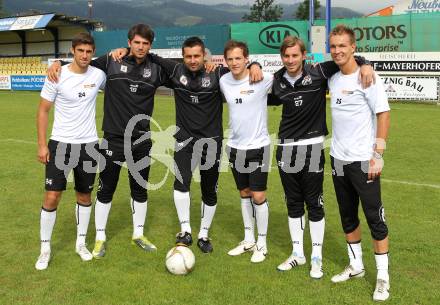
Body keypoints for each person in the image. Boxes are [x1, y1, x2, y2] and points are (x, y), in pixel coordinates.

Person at [111, 37, 262, 253]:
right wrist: (124, 49)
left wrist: (256, 64)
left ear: (204, 57)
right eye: (188, 56)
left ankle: (204, 234)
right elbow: (148, 55)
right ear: (183, 57)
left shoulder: (217, 74)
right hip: (184, 142)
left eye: (197, 56)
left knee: (209, 190)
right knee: (181, 185)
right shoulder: (174, 71)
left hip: (211, 142)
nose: (193, 60)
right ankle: (185, 230)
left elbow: (240, 70)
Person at [48, 24, 169, 258]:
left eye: (145, 44)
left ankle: (138, 234)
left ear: (150, 46)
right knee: (106, 190)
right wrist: (57, 64)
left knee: (140, 190)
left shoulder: (156, 69)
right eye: (136, 42)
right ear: (129, 42)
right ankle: (100, 237)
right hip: (113, 139)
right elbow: (80, 64)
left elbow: (182, 72)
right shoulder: (111, 61)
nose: (141, 47)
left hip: (142, 140)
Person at [268, 36, 374, 278]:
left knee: (314, 204)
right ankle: (297, 253)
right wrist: (253, 66)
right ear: (281, 57)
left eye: (295, 55)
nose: (291, 60)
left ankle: (316, 257)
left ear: (304, 55)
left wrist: (365, 62)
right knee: (293, 203)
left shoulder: (319, 72)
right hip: (285, 147)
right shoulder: (276, 80)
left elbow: (345, 59)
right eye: (286, 56)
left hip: (313, 147)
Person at [327, 24, 391, 302]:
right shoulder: (332, 78)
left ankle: (383, 278)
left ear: (353, 47)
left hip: (364, 161)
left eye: (343, 45)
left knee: (375, 218)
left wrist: (378, 154)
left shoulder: (368, 78)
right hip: (338, 159)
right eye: (333, 46)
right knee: (347, 216)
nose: (338, 51)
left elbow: (384, 113)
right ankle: (356, 266)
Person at [36, 32, 106, 270]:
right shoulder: (57, 74)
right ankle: (45, 248)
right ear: (72, 52)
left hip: (89, 145)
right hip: (60, 144)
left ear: (93, 53)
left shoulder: (99, 75)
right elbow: (43, 110)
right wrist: (42, 144)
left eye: (89, 51)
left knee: (84, 196)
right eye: (81, 51)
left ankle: (80, 243)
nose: (85, 55)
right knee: (52, 196)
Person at [220, 40, 273, 263]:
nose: (234, 63)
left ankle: (262, 243)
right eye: (230, 59)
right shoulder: (223, 80)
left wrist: (257, 65)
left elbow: (290, 74)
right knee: (244, 194)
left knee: (258, 195)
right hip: (234, 146)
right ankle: (248, 238)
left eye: (238, 58)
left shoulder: (263, 78)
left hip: (259, 146)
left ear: (246, 59)